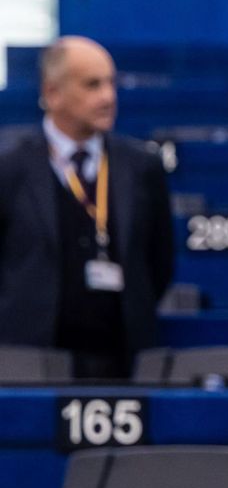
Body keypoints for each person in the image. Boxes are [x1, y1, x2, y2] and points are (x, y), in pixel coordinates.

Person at [0, 37, 174, 379]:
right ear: (53, 93)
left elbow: (159, 263)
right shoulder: (9, 169)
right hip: (31, 360)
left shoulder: (143, 166)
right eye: (92, 85)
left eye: (111, 83)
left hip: (123, 361)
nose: (108, 97)